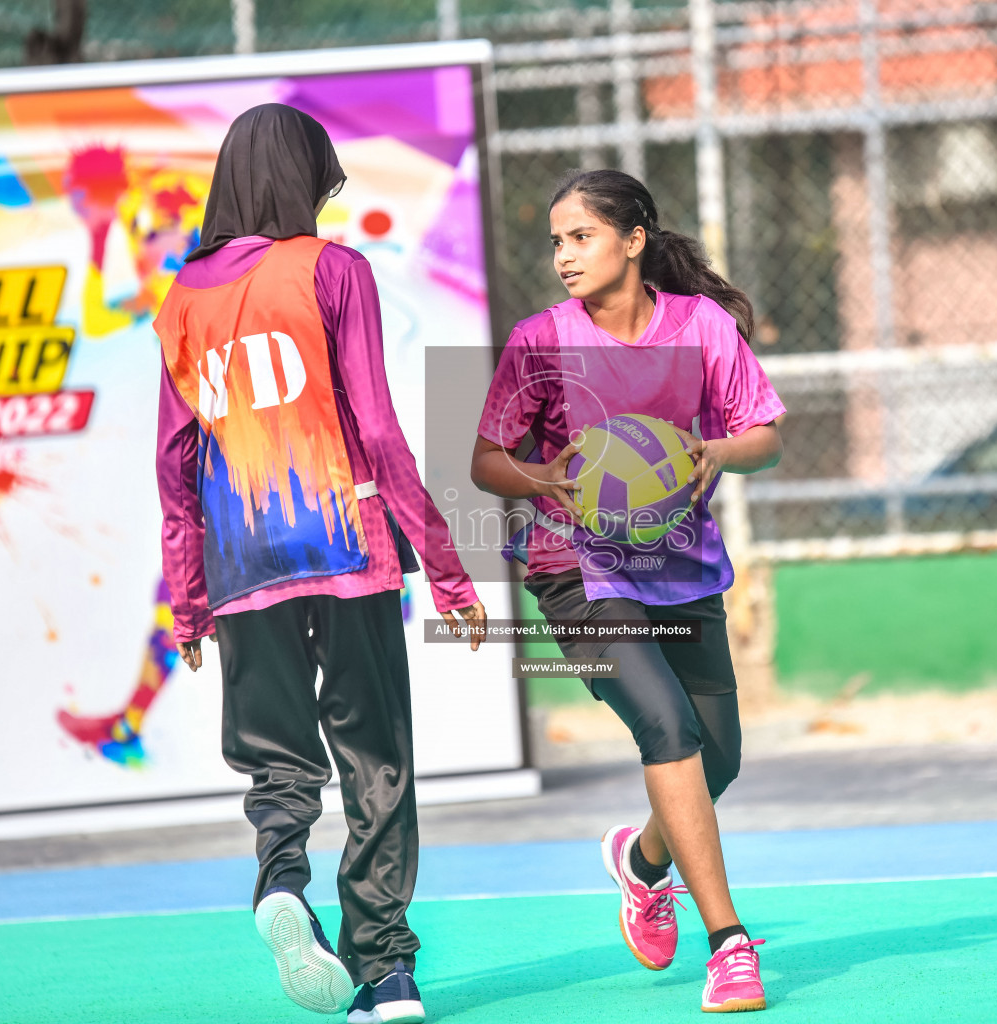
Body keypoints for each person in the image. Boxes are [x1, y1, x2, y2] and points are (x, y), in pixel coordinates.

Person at [155, 103, 486, 1024]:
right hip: (347, 544)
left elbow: (173, 462)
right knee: (374, 756)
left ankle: (285, 886)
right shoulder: (334, 270)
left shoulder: (183, 299)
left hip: (241, 563)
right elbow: (375, 427)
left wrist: (189, 603)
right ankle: (385, 972)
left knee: (278, 760)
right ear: (305, 178)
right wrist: (449, 568)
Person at [471, 169, 785, 1013]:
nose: (563, 256)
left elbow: (766, 435)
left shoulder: (702, 328)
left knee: (718, 758)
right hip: (576, 568)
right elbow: (484, 459)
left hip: (678, 564)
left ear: (634, 240)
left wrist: (719, 451)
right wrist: (543, 477)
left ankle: (643, 864)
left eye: (582, 237)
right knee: (668, 726)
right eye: (556, 242)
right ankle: (729, 945)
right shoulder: (542, 341)